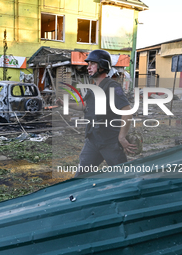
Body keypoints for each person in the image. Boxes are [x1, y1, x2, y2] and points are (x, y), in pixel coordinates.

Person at [58, 49, 136, 177]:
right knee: (81, 176)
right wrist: (64, 104)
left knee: (122, 177)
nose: (88, 67)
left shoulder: (112, 86)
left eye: (92, 64)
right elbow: (84, 105)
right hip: (93, 140)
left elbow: (127, 111)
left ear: (102, 66)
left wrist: (122, 137)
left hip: (110, 141)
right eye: (88, 64)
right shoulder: (93, 88)